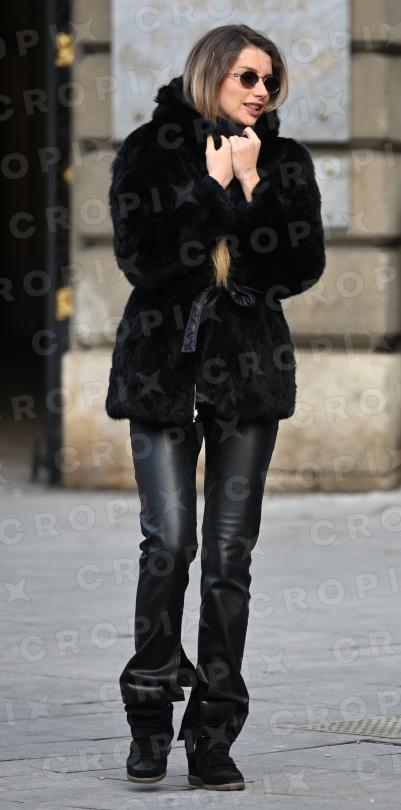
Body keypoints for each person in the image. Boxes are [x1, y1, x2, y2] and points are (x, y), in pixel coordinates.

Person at [106, 23, 326, 791]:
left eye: (270, 79)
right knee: (168, 543)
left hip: (247, 381)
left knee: (229, 559)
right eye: (247, 77)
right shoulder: (149, 150)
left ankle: (212, 733)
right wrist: (209, 190)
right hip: (161, 375)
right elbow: (142, 260)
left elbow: (298, 267)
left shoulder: (284, 161)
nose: (262, 91)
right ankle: (147, 712)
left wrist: (254, 187)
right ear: (211, 76)